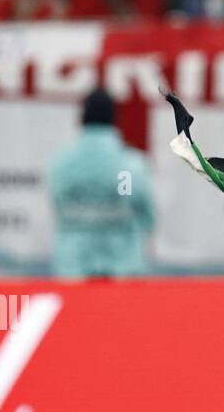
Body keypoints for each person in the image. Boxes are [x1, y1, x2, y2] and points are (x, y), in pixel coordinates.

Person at [48, 89, 155, 278]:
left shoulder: (61, 163)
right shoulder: (130, 165)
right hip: (124, 269)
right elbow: (148, 214)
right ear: (115, 120)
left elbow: (57, 203)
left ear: (81, 119)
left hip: (73, 269)